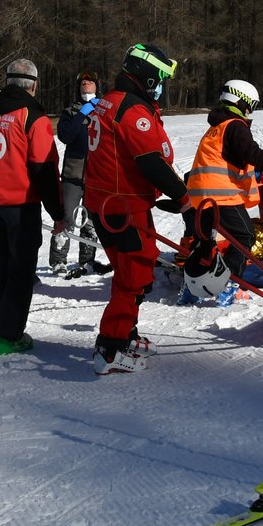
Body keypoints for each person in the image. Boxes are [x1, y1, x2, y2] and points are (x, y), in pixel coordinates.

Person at [83, 43, 187, 374]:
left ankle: (126, 334)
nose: (162, 86)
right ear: (148, 77)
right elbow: (151, 163)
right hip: (121, 206)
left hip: (109, 203)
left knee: (136, 271)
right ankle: (110, 349)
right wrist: (186, 199)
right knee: (134, 276)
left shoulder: (108, 101)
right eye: (160, 78)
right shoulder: (130, 110)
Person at [0, 59, 64, 355]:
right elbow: (44, 169)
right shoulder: (32, 116)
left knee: (3, 264)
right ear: (34, 84)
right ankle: (9, 336)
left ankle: (1, 327)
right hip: (21, 205)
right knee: (20, 270)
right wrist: (57, 213)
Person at [183, 79, 263, 305]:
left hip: (200, 195)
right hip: (221, 195)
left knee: (206, 243)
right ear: (242, 102)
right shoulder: (236, 126)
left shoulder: (216, 127)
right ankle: (230, 285)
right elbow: (254, 156)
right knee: (244, 236)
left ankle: (189, 287)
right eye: (251, 106)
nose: (250, 111)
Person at [49, 71, 104, 276]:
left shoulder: (103, 111)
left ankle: (87, 261)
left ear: (97, 87)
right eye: (83, 83)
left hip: (96, 174)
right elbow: (65, 136)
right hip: (73, 173)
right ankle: (58, 261)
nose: (86, 85)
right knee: (68, 218)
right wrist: (82, 113)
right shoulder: (70, 111)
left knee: (90, 220)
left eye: (90, 83)